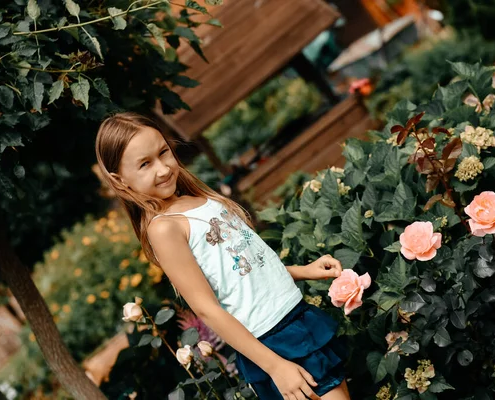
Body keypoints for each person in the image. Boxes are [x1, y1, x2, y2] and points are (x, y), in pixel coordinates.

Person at [95, 112, 351, 400]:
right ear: (120, 181)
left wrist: (303, 270)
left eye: (163, 152)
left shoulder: (197, 200)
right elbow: (207, 309)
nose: (163, 168)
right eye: (145, 164)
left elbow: (244, 270)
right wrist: (276, 366)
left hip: (294, 316)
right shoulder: (165, 228)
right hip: (271, 341)